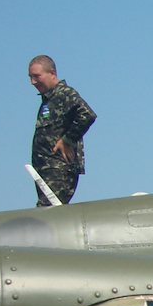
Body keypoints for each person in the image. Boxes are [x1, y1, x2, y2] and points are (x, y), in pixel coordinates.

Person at [28, 55, 95, 206]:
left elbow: (87, 115)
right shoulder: (49, 99)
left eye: (37, 76)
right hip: (46, 169)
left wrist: (67, 140)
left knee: (48, 212)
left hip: (59, 169)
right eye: (30, 77)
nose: (33, 82)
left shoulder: (64, 93)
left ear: (51, 73)